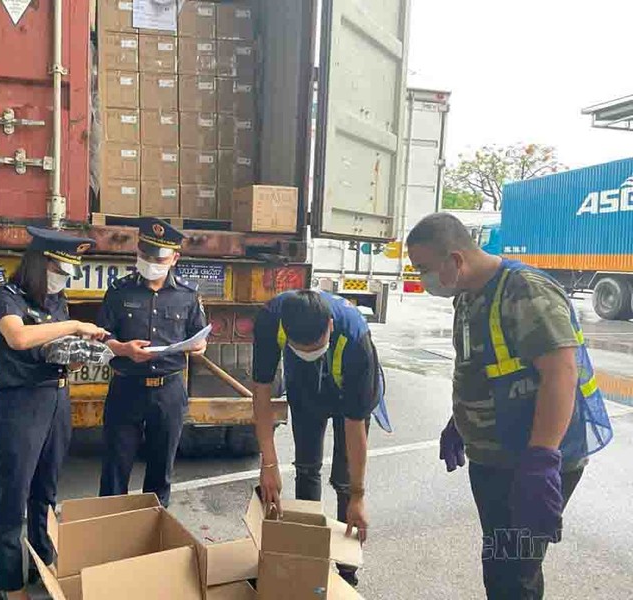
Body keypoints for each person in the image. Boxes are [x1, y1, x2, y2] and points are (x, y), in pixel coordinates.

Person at [406, 213, 613, 600]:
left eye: (424, 269)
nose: (423, 279)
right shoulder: (467, 296)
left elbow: (560, 374)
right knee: (501, 563)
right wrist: (461, 418)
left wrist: (541, 459)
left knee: (514, 573)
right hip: (495, 456)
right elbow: (484, 366)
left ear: (455, 260)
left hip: (532, 461)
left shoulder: (526, 292)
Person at [0, 226, 108, 600]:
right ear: (41, 264)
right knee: (13, 496)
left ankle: (42, 564)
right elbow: (19, 338)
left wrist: (79, 354)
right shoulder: (6, 297)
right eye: (61, 270)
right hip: (20, 405)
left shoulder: (56, 301)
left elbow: (56, 351)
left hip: (56, 400)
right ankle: (10, 585)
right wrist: (73, 325)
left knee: (45, 492)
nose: (64, 279)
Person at [252, 289, 392, 587]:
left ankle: (346, 572)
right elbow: (261, 391)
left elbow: (355, 426)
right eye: (300, 347)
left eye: (314, 347)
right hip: (305, 390)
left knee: (344, 480)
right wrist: (269, 463)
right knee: (306, 469)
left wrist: (358, 495)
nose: (309, 352)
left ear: (329, 325)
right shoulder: (271, 318)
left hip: (349, 394)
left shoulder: (355, 339)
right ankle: (309, 559)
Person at [98, 217, 207, 507]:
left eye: (157, 257)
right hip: (126, 388)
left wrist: (199, 346)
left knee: (161, 470)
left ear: (175, 258)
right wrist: (122, 348)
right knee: (115, 468)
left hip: (168, 391)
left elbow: (199, 334)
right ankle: (106, 532)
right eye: (144, 254)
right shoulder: (119, 291)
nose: (150, 262)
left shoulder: (188, 294)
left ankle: (155, 533)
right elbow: (102, 335)